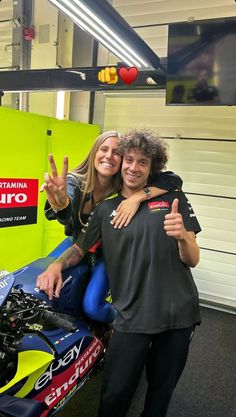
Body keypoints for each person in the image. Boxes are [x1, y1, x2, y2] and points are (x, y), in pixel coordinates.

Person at [37, 128, 201, 417]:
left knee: (160, 393)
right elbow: (79, 248)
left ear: (152, 168)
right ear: (122, 161)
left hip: (178, 313)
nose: (134, 167)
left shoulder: (173, 198)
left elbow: (193, 258)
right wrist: (56, 264)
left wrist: (183, 237)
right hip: (130, 315)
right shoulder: (105, 210)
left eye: (143, 162)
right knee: (114, 394)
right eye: (130, 160)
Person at [41, 130, 182, 323]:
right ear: (94, 153)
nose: (109, 156)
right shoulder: (73, 182)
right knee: (43, 277)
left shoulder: (124, 185)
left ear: (122, 159)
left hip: (109, 252)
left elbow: (173, 180)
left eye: (116, 152)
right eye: (103, 149)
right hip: (79, 244)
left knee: (92, 306)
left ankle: (123, 324)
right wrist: (60, 201)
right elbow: (65, 210)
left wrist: (138, 197)